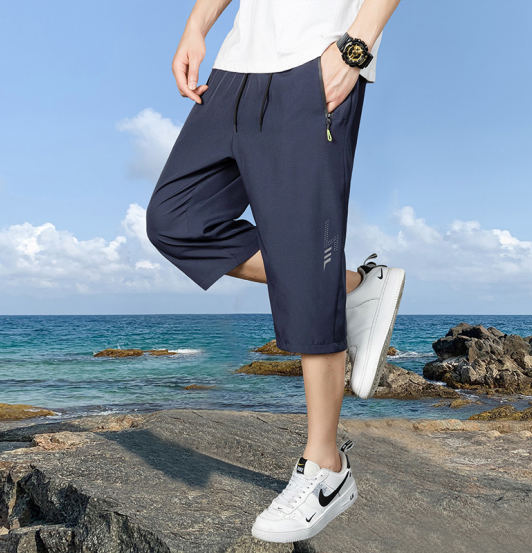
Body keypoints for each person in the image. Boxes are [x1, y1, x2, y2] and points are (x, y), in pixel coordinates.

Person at [146, 0, 404, 543]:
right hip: (236, 67)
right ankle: (353, 287)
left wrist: (355, 49)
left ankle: (327, 468)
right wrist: (197, 25)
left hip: (318, 58)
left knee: (306, 244)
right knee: (175, 219)